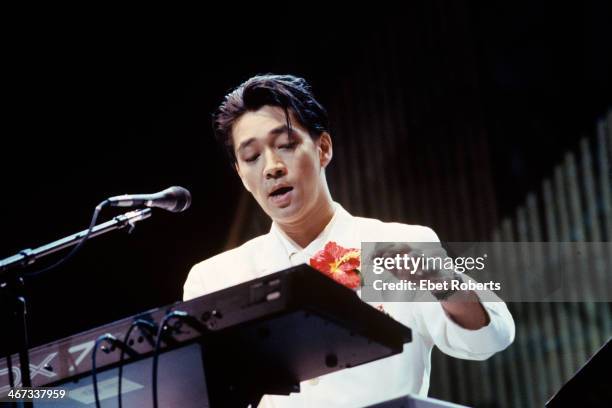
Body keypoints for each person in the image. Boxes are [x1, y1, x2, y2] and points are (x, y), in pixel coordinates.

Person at [183, 74, 515, 407]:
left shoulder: (397, 242)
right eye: (252, 157)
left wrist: (441, 281)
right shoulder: (216, 279)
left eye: (285, 145)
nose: (272, 167)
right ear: (241, 175)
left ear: (323, 148)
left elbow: (489, 338)